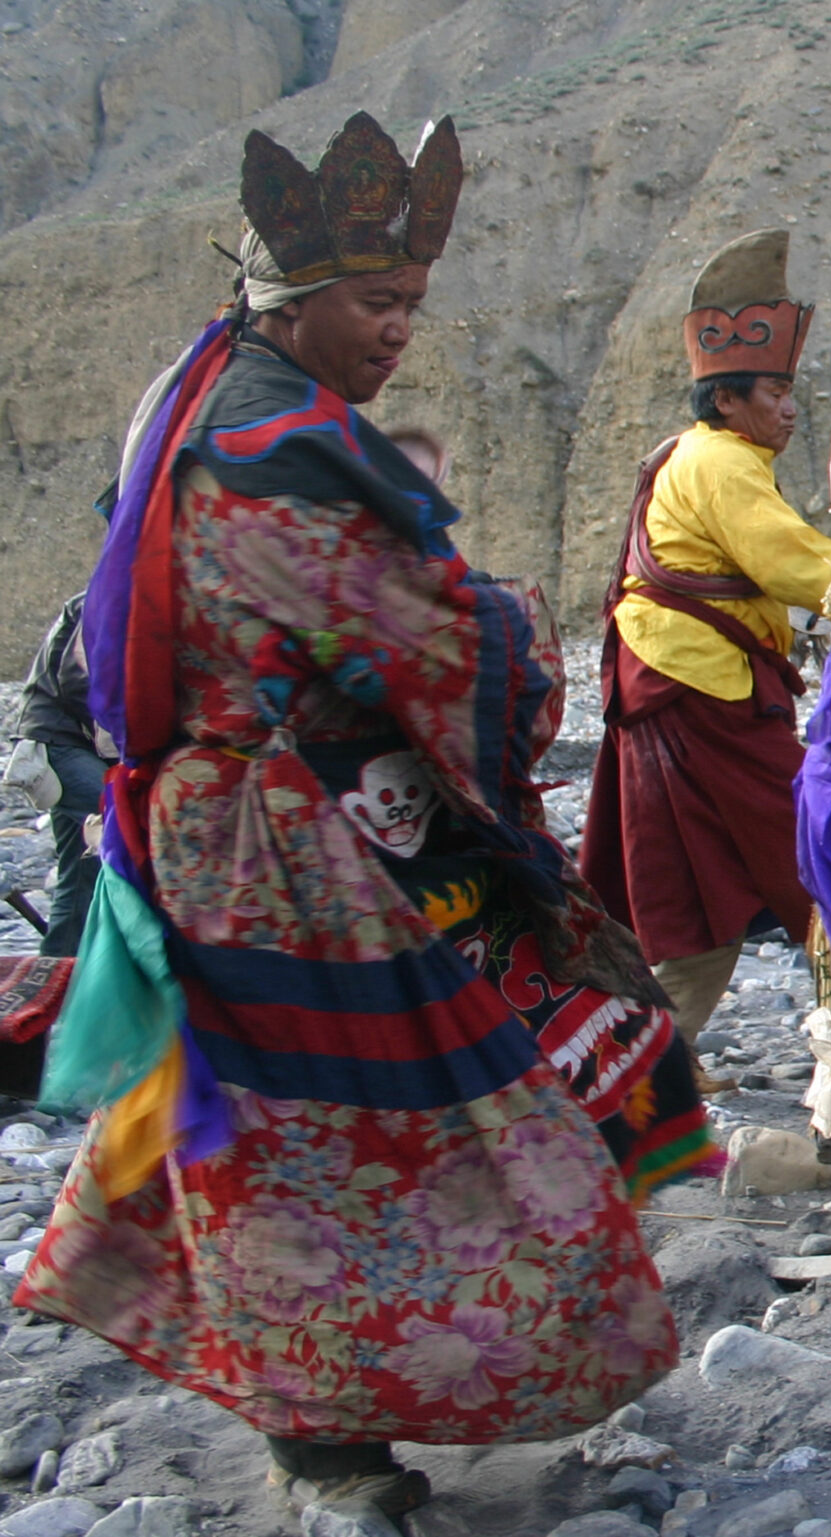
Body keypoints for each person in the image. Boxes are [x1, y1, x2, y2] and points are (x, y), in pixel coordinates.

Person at [16, 112, 719, 1518]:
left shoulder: (201, 399)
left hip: (221, 829)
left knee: (272, 1127)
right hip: (287, 848)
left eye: (410, 304)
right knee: (386, 1112)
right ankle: (358, 1415)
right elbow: (414, 638)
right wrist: (515, 631)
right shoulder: (278, 439)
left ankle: (316, 1423)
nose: (399, 330)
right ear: (293, 297)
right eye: (377, 303)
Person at [580, 229, 831, 1073]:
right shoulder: (723, 463)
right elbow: (796, 565)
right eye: (775, 389)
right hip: (704, 696)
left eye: (791, 389)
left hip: (680, 688)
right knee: (809, 850)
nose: (791, 407)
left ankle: (647, 1058)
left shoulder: (696, 456)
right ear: (727, 400)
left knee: (702, 887)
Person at [4, 592, 115, 956]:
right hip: (57, 743)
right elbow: (77, 679)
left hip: (76, 744)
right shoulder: (100, 600)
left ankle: (60, 967)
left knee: (80, 870)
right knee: (128, 822)